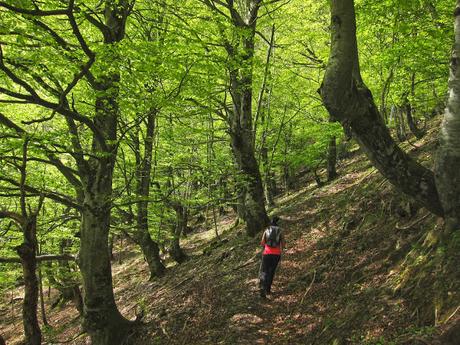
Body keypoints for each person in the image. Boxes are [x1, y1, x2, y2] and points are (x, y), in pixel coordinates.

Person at [259, 216, 285, 298]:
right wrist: (280, 249)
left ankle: (262, 287)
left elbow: (262, 242)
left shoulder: (267, 230)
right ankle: (268, 289)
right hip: (276, 254)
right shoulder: (280, 230)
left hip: (266, 253)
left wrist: (266, 246)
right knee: (271, 271)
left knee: (264, 271)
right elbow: (283, 244)